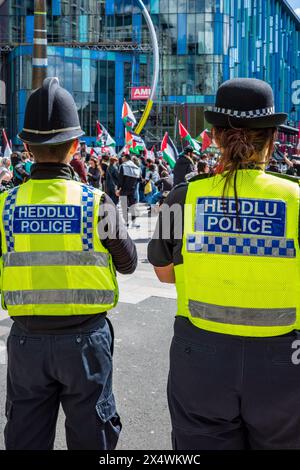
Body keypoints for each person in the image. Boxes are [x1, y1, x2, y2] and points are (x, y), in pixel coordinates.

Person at [148, 78, 300, 450]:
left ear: (215, 137)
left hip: (201, 358)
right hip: (285, 361)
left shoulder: (181, 196)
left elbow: (163, 272)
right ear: (273, 137)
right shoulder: (296, 196)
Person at [2, 77, 137, 450]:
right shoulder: (98, 202)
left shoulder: (5, 205)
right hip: (85, 344)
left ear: (27, 147)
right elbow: (128, 263)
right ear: (76, 146)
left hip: (27, 342)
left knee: (25, 438)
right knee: (94, 438)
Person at [117, 152, 141, 228]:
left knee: (124, 206)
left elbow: (120, 179)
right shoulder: (136, 167)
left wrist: (118, 189)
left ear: (125, 157)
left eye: (122, 156)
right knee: (133, 206)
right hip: (133, 189)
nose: (121, 158)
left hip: (124, 189)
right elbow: (139, 179)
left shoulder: (123, 166)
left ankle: (126, 222)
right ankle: (134, 222)